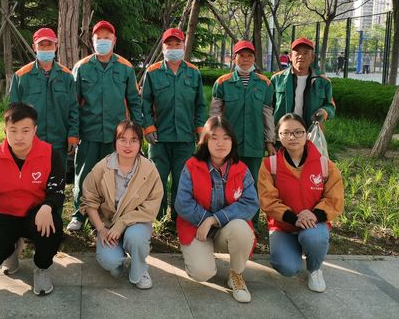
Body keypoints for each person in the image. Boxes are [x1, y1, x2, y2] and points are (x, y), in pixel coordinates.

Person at [0, 103, 65, 296]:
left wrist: (48, 206)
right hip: (6, 214)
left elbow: (57, 190)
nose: (19, 137)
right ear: (5, 130)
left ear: (35, 130)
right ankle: (11, 248)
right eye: (13, 130)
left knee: (52, 226)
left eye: (25, 130)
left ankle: (41, 267)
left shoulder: (50, 154)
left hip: (36, 214)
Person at [67, 20, 143, 232]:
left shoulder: (125, 68)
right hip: (88, 133)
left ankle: (107, 214)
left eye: (107, 38)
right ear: (92, 41)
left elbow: (134, 101)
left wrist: (137, 134)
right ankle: (79, 214)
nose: (103, 41)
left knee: (114, 177)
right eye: (98, 38)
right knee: (85, 176)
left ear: (114, 40)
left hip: (116, 136)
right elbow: (73, 104)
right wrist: (73, 133)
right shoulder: (82, 67)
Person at [175, 116, 259, 303]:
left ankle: (236, 274)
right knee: (201, 273)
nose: (220, 143)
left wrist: (213, 219)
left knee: (242, 229)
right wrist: (203, 219)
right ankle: (197, 253)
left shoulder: (241, 169)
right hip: (196, 228)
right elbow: (182, 203)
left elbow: (250, 203)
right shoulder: (192, 166)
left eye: (226, 138)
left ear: (233, 141)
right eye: (214, 138)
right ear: (205, 141)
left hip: (226, 229)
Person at [258, 113, 344, 293]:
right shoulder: (270, 165)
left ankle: (315, 269)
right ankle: (292, 250)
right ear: (278, 136)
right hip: (284, 226)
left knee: (313, 237)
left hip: (314, 224)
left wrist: (314, 215)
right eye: (286, 133)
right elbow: (268, 200)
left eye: (298, 132)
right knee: (287, 267)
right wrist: (294, 218)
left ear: (306, 134)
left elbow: (334, 199)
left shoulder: (324, 165)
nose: (292, 137)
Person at [81, 121, 163, 289]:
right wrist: (101, 229)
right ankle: (118, 260)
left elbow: (151, 206)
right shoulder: (102, 167)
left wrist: (122, 223)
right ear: (115, 142)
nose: (128, 145)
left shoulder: (149, 169)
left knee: (136, 238)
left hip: (137, 224)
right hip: (108, 226)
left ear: (140, 143)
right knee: (110, 262)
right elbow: (89, 200)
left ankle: (139, 270)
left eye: (133, 140)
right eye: (122, 139)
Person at [141, 28, 206, 221]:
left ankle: (179, 219)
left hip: (185, 138)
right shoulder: (152, 72)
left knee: (182, 181)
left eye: (177, 44)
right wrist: (148, 127)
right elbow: (145, 103)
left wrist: (200, 130)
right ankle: (157, 218)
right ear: (163, 48)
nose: (173, 48)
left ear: (184, 46)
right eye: (169, 44)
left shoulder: (194, 73)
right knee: (157, 179)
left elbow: (200, 105)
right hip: (159, 138)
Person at [9, 27, 79, 180]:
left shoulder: (66, 76)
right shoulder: (21, 76)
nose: (46, 49)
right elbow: (12, 112)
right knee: (31, 182)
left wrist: (73, 134)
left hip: (59, 141)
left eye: (49, 45)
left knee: (56, 182)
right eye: (41, 45)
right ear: (34, 47)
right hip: (31, 142)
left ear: (56, 47)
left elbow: (73, 108)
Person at [210, 40, 275, 196]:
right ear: (234, 58)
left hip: (255, 143)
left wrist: (269, 142)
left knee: (252, 184)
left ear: (254, 59)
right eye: (241, 56)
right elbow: (215, 116)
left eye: (249, 56)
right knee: (227, 182)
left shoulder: (265, 84)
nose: (245, 59)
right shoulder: (222, 82)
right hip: (228, 144)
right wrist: (212, 139)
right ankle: (227, 212)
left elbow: (268, 116)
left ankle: (252, 212)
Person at [271, 37, 335, 126]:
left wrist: (325, 110)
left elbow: (331, 106)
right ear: (290, 57)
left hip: (311, 130)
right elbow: (268, 107)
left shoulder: (323, 82)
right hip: (284, 130)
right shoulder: (277, 79)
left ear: (312, 57)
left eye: (305, 53)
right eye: (297, 53)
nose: (301, 56)